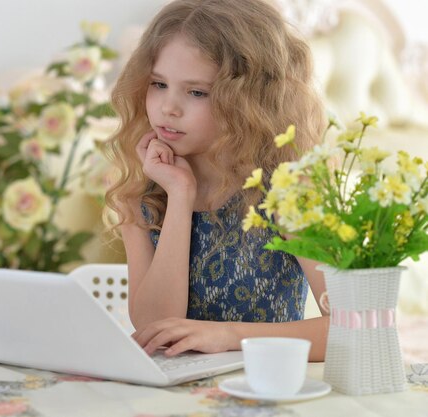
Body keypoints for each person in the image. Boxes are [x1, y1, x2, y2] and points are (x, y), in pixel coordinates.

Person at [104, 0, 329, 361]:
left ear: (249, 99)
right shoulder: (140, 188)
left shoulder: (286, 190)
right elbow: (156, 326)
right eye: (158, 84)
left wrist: (227, 336)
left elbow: (353, 326)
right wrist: (179, 194)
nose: (168, 108)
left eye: (197, 92)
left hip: (261, 386)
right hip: (175, 390)